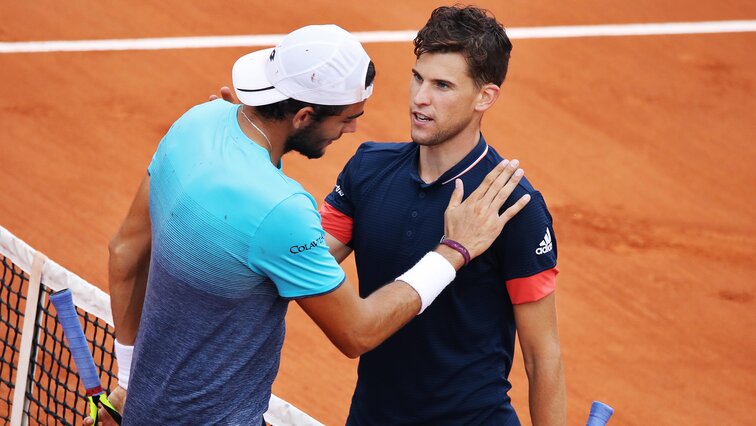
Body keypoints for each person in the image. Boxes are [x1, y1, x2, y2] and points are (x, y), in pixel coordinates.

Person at [92, 24, 531, 425]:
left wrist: (130, 380)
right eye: (345, 118)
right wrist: (452, 250)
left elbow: (124, 252)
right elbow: (357, 331)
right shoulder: (280, 209)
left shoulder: (196, 122)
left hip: (146, 409)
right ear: (303, 116)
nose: (353, 129)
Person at [318, 6, 566, 425]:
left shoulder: (511, 204)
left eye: (442, 85)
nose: (420, 98)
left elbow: (543, 357)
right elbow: (304, 262)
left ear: (484, 96)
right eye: (417, 77)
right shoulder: (368, 169)